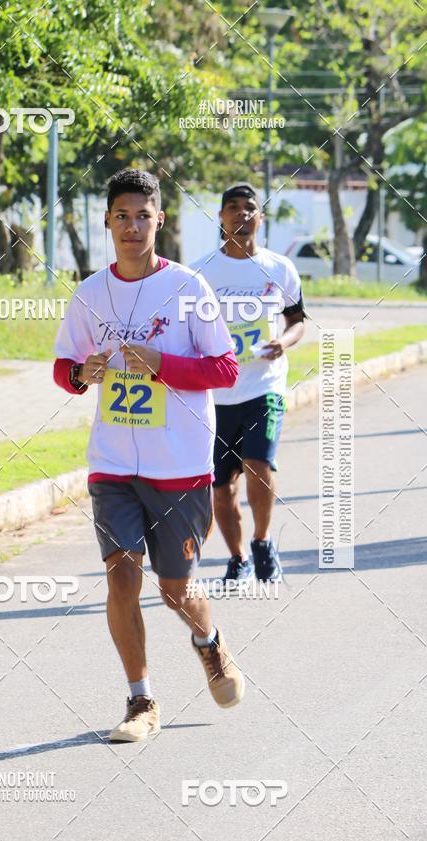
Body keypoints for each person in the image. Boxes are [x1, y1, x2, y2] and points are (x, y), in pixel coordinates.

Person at [53, 168, 243, 742]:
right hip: (112, 463)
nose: (132, 226)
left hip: (179, 466)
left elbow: (225, 368)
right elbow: (64, 367)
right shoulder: (90, 293)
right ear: (107, 222)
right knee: (121, 579)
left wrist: (161, 364)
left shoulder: (189, 288)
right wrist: (80, 375)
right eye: (121, 216)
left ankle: (209, 643)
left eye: (143, 215)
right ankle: (141, 702)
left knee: (174, 590)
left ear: (160, 220)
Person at [190, 182, 305, 586]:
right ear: (221, 219)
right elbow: (187, 328)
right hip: (216, 396)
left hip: (264, 388)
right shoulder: (202, 270)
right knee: (221, 489)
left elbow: (297, 321)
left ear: (260, 217)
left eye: (249, 208)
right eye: (232, 208)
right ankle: (238, 558)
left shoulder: (280, 268)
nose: (241, 214)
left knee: (258, 466)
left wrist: (283, 343)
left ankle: (262, 542)